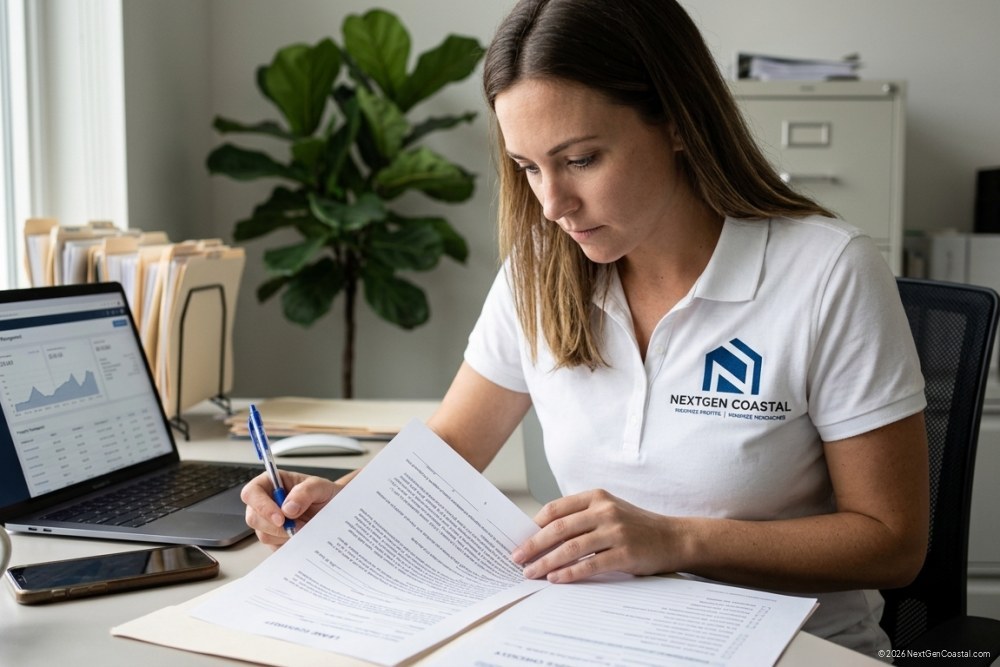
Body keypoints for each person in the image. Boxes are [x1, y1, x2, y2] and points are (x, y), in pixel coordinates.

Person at [242, 0, 929, 658]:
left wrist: (677, 540)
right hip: (595, 639)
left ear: (678, 121)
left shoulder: (826, 271)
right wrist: (345, 503)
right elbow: (449, 448)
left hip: (791, 648)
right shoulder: (540, 270)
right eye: (528, 168)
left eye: (580, 160)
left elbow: (894, 542)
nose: (552, 204)